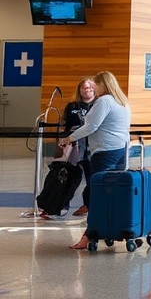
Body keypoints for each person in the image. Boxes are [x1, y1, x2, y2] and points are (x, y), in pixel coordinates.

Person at [59, 71, 131, 249]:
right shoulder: (121, 101)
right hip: (121, 149)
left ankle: (89, 235)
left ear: (102, 85)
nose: (93, 89)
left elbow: (91, 126)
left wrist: (70, 138)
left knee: (97, 193)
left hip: (105, 151)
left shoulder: (104, 101)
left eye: (95, 85)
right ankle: (113, 228)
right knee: (114, 192)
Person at [62, 77, 96, 217]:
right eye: (84, 88)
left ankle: (88, 204)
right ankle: (61, 204)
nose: (87, 90)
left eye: (89, 87)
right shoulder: (72, 106)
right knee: (69, 176)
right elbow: (66, 126)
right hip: (74, 147)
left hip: (91, 147)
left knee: (90, 177)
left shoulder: (99, 104)